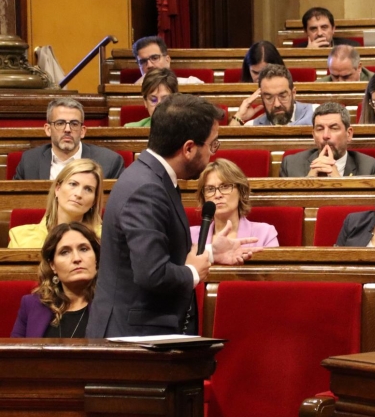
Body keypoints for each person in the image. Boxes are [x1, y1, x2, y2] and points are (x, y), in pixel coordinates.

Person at [86, 94, 260, 338]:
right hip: (132, 342)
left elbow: (158, 252)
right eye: (212, 145)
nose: (213, 153)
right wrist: (192, 273)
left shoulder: (150, 177)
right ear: (189, 148)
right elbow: (152, 273)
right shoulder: (146, 188)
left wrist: (210, 252)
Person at [11, 222, 100, 338]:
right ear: (52, 265)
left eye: (83, 249)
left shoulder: (115, 305)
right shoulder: (31, 305)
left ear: (96, 259)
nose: (77, 258)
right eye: (65, 252)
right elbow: (16, 355)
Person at [14, 98, 124, 180]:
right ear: (48, 129)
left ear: (82, 131)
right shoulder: (29, 161)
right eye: (60, 123)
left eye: (74, 124)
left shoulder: (109, 162)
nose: (67, 129)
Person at [9, 158, 104, 248]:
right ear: (57, 189)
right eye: (73, 184)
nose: (79, 194)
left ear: (94, 201)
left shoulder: (105, 237)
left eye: (88, 189)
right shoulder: (20, 237)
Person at [191, 158, 279, 248]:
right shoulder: (191, 237)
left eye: (225, 186)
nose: (217, 195)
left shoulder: (264, 233)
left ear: (241, 191)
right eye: (210, 189)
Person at [280, 102, 375, 177]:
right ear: (313, 135)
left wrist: (337, 182)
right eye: (320, 129)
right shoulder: (291, 165)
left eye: (334, 128)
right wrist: (309, 182)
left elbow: (365, 205)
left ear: (349, 134)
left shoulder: (368, 167)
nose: (326, 135)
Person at [230, 64, 316, 126]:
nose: (277, 104)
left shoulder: (315, 113)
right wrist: (239, 116)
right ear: (262, 98)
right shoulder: (252, 126)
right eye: (269, 98)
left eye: (282, 96)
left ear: (293, 93)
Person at [132, 36, 203, 85]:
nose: (149, 65)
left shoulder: (191, 83)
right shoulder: (132, 92)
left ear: (167, 60)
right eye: (143, 61)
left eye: (154, 58)